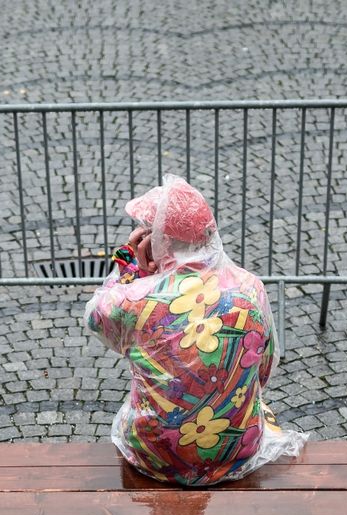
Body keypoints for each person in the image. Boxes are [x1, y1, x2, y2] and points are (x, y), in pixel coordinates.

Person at [83, 175, 306, 486]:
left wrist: (135, 269)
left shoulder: (134, 299)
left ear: (159, 241)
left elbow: (95, 319)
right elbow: (263, 372)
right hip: (236, 450)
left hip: (156, 454)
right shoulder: (250, 290)